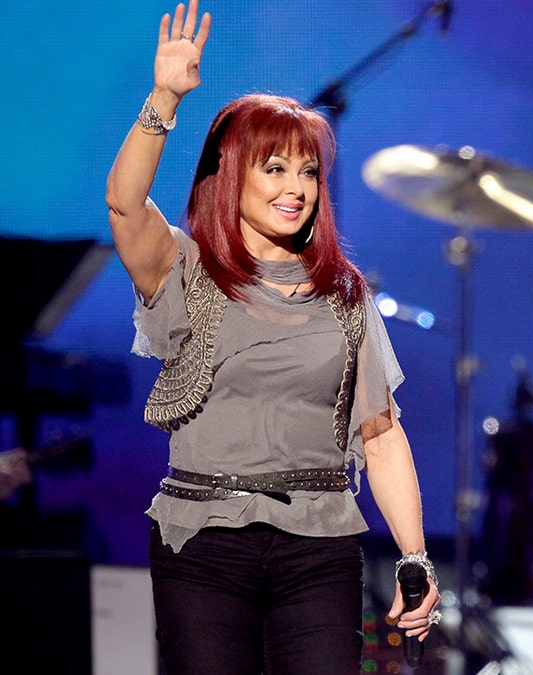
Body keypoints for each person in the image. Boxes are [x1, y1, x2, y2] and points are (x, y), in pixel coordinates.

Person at [104, 2, 440, 672]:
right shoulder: (184, 268)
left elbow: (380, 433)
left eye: (308, 170)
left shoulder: (344, 292)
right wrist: (165, 96)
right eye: (276, 168)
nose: (297, 188)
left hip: (318, 545)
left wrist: (414, 554)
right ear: (232, 174)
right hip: (202, 543)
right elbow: (124, 203)